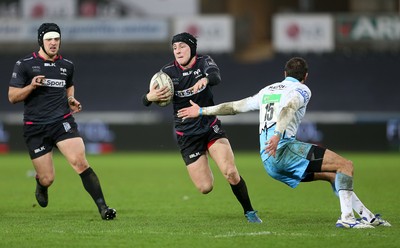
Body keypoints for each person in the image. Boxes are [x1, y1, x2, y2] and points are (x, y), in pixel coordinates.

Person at [177, 57, 391, 228]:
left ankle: (367, 217)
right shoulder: (302, 89)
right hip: (284, 149)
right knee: (346, 165)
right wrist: (278, 134)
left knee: (334, 174)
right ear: (305, 76)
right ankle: (347, 218)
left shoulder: (268, 90)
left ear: (284, 74)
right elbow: (289, 108)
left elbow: (234, 107)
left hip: (269, 161)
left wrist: (202, 110)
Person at [142, 32, 262, 223]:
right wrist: (150, 97)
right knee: (205, 187)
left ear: (192, 48)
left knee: (230, 172)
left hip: (209, 127)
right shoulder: (166, 73)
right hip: (187, 135)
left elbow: (215, 76)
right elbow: (147, 99)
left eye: (182, 46)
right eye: (174, 48)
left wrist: (205, 80)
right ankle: (203, 160)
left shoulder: (204, 62)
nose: (178, 51)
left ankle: (249, 211)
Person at [8, 23, 116, 220]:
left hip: (62, 122)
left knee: (80, 163)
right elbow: (13, 97)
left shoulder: (67, 65)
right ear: (41, 41)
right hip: (35, 127)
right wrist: (31, 86)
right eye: (49, 39)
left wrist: (70, 100)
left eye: (56, 39)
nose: (53, 43)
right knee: (48, 178)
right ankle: (41, 184)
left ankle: (104, 208)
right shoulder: (24, 64)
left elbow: (69, 86)